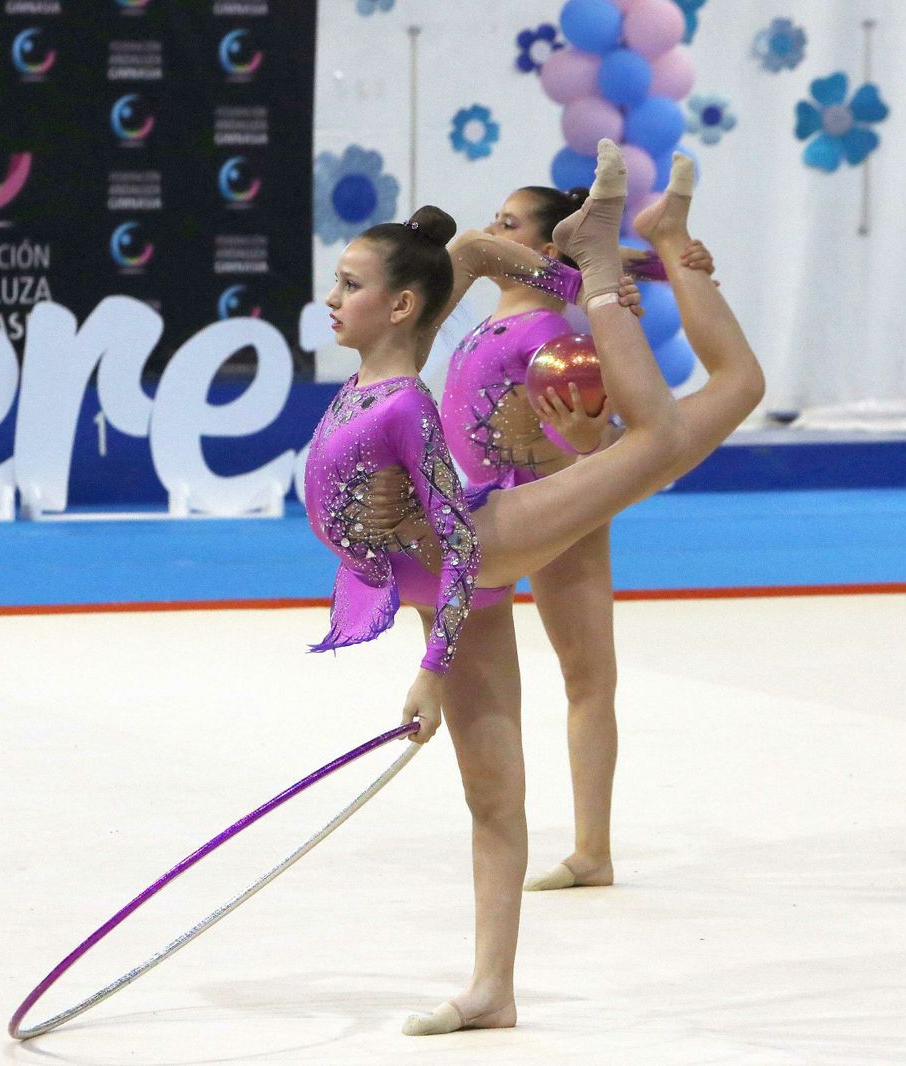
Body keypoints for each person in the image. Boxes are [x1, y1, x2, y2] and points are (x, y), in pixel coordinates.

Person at [304, 141, 765, 1035]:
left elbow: (458, 548)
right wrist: (635, 266)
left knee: (660, 440)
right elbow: (472, 248)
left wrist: (433, 670)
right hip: (436, 579)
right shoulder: (398, 354)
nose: (330, 296)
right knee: (493, 794)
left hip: (473, 551)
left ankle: (601, 261)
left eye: (348, 283)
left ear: (396, 304)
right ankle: (492, 990)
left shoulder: (403, 400)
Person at [365, 185, 715, 897]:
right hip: (503, 506)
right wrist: (636, 266)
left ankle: (593, 849)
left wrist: (622, 279)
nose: (493, 228)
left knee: (588, 677)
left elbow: (611, 436)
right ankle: (567, 840)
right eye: (496, 216)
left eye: (509, 223)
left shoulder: (554, 340)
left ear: (547, 248)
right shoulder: (500, 320)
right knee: (540, 678)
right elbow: (477, 252)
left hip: (553, 511)